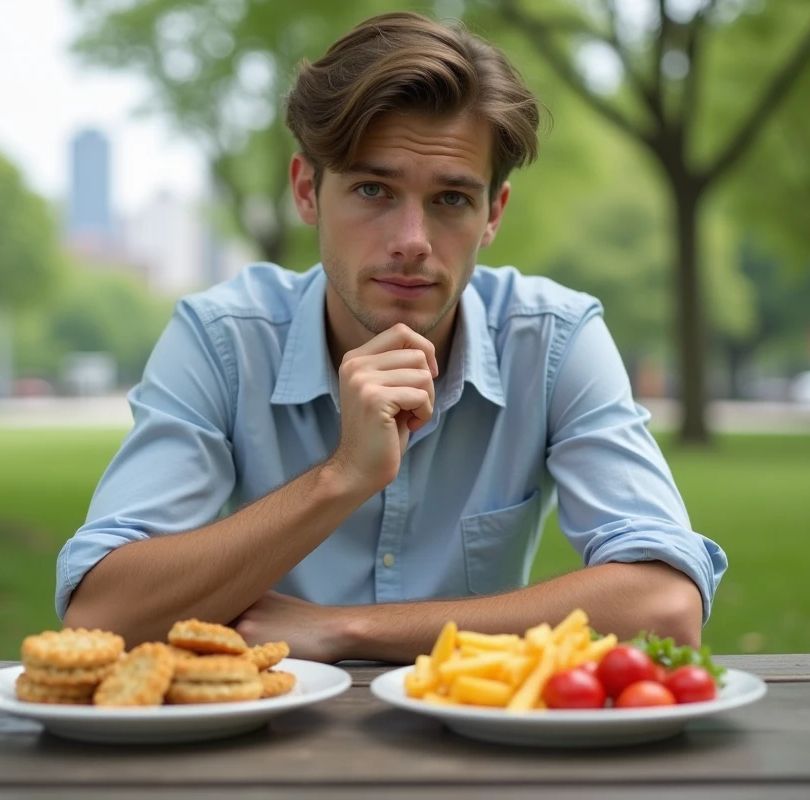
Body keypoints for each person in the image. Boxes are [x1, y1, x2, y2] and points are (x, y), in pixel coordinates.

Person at [58, 11, 726, 663]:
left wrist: (349, 629)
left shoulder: (552, 340)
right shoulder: (222, 339)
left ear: (493, 214)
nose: (411, 242)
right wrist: (341, 478)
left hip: (480, 750)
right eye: (374, 190)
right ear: (307, 191)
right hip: (266, 753)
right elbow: (100, 613)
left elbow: (664, 605)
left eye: (451, 199)